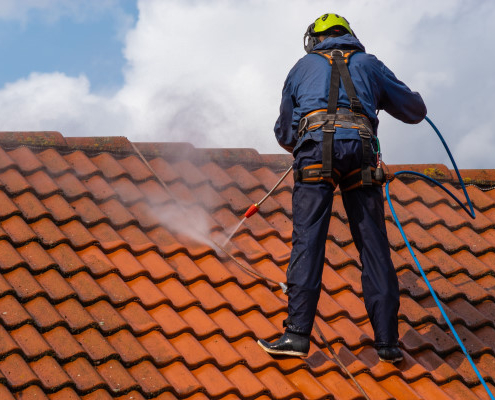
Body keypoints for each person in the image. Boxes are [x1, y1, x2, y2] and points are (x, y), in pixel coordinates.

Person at [257, 13, 426, 363]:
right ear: (348, 36)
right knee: (374, 245)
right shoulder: (369, 63)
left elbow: (285, 134)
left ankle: (296, 336)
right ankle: (388, 343)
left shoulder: (301, 67)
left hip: (316, 152)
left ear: (315, 40)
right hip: (362, 152)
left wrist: (310, 139)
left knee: (309, 241)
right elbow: (413, 111)